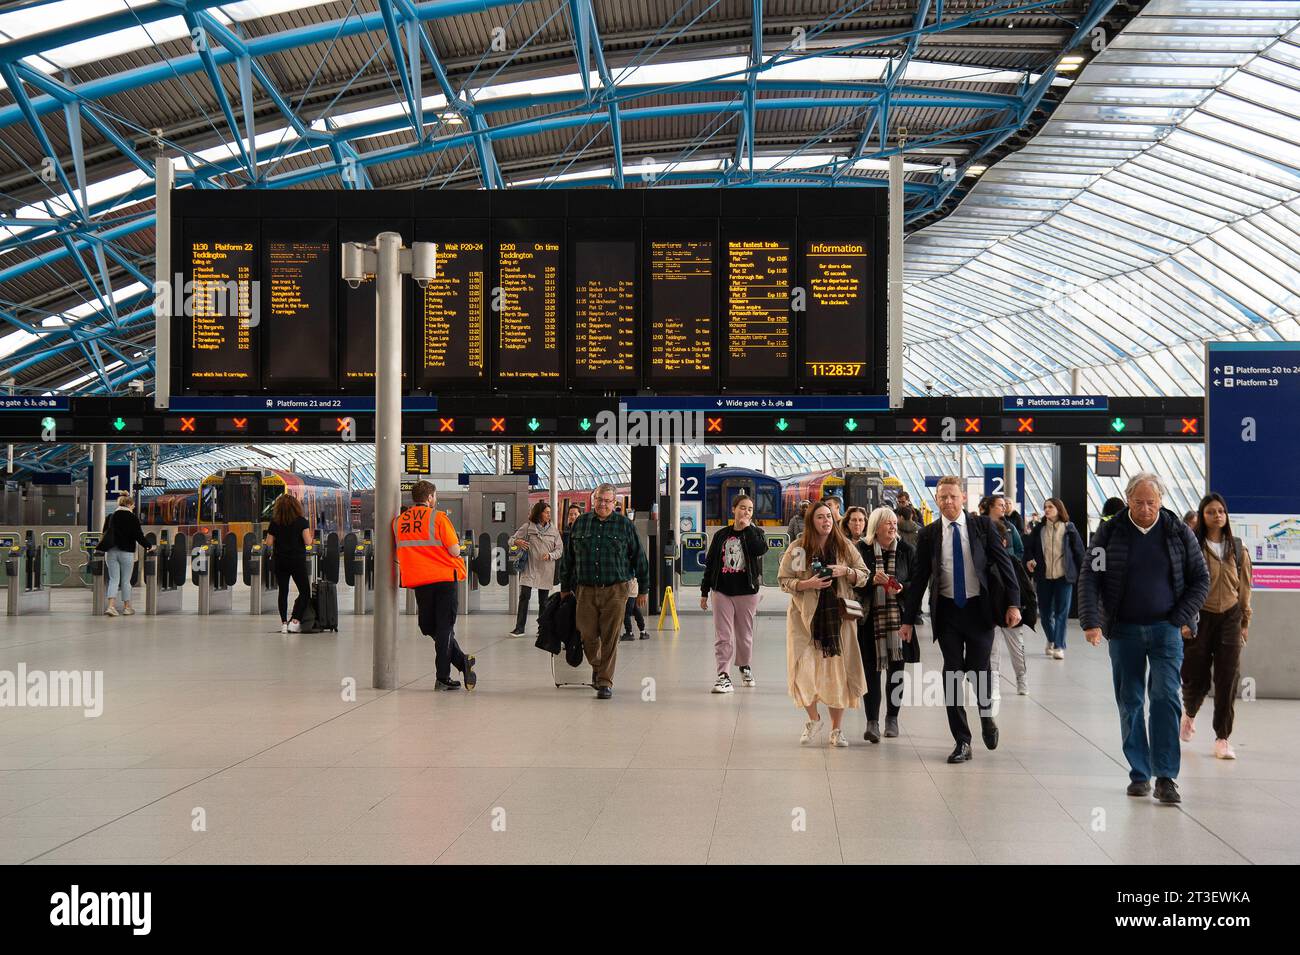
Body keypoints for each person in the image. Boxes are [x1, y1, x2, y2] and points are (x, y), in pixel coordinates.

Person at [1080, 472, 1209, 805]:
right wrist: (1092, 621)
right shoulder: (1108, 533)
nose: (1146, 508)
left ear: (1161, 501)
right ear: (1128, 501)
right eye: (1139, 502)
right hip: (1124, 630)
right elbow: (1090, 576)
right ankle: (1139, 772)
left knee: (1166, 697)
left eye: (1152, 502)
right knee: (1131, 701)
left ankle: (1165, 776)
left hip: (1167, 629)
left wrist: (1182, 618)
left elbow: (1200, 580)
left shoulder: (1179, 533)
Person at [900, 476, 1021, 764]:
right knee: (952, 673)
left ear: (963, 498)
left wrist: (1014, 604)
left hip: (980, 611)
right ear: (937, 500)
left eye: (953, 496)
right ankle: (962, 741)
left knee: (979, 671)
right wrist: (907, 620)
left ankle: (987, 717)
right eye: (943, 497)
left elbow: (1005, 566)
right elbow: (918, 579)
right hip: (948, 612)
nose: (948, 502)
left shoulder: (982, 527)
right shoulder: (928, 534)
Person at [778, 500, 869, 748]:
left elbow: (863, 574)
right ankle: (813, 719)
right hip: (805, 621)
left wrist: (845, 572)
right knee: (803, 673)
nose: (826, 521)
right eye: (820, 517)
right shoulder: (800, 550)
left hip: (837, 623)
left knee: (837, 675)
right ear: (811, 521)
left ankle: (837, 730)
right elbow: (785, 580)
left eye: (828, 516)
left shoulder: (843, 546)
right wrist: (808, 584)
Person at [559, 483, 648, 700]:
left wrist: (643, 589)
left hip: (616, 590)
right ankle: (598, 667)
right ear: (593, 500)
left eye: (607, 501)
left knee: (610, 637)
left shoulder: (625, 525)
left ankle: (605, 681)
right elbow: (568, 557)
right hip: (585, 589)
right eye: (599, 499)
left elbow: (639, 558)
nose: (603, 504)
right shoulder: (581, 523)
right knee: (587, 635)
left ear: (614, 503)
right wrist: (564, 586)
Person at [1181, 493, 1253, 761]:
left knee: (1228, 677)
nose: (1217, 516)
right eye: (1211, 512)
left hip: (1230, 617)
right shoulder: (1193, 546)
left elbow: (1245, 586)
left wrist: (1245, 621)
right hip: (1201, 616)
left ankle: (1222, 738)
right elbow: (1183, 585)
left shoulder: (1237, 546)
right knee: (1195, 675)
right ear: (1202, 516)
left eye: (1221, 511)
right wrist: (1185, 620)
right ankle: (1189, 712)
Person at [393, 480, 477, 691]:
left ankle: (443, 676)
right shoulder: (438, 518)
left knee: (431, 626)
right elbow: (455, 550)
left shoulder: (398, 522)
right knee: (441, 627)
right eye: (435, 496)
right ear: (430, 497)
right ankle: (461, 661)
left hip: (420, 581)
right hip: (444, 578)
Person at [853, 506, 916, 742]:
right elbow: (854, 581)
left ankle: (892, 718)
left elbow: (916, 583)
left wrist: (900, 587)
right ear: (876, 526)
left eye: (894, 523)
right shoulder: (862, 549)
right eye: (887, 523)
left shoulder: (907, 550)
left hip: (899, 619)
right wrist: (871, 580)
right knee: (871, 671)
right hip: (870, 619)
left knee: (896, 672)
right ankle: (872, 721)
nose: (893, 526)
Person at [701, 494, 768, 693]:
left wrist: (747, 528)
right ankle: (723, 675)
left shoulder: (756, 532)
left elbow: (759, 550)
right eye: (742, 507)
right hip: (721, 591)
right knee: (723, 635)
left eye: (749, 509)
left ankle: (745, 666)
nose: (745, 512)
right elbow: (711, 563)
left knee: (745, 635)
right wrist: (705, 591)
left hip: (747, 592)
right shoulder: (721, 535)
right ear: (733, 509)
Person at [1026, 497, 1085, 660]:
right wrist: (1030, 559)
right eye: (1045, 507)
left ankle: (1059, 646)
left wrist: (1083, 574)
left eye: (1050, 507)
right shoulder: (1040, 528)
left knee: (1061, 612)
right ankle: (1051, 639)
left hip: (1064, 577)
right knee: (1045, 614)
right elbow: (1028, 548)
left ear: (1059, 508)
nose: (1047, 510)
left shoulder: (1069, 528)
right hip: (1043, 577)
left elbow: (1079, 551)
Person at [986, 517, 1031, 699]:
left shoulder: (1012, 561)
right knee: (992, 651)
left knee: (1016, 651)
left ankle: (1021, 678)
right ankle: (994, 683)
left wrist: (1020, 608)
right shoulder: (984, 562)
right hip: (991, 613)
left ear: (1004, 542)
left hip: (1012, 613)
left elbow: (1024, 588)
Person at [508, 501, 563, 637]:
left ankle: (542, 629)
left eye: (550, 512)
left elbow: (560, 549)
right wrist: (516, 541)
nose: (549, 515)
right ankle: (519, 628)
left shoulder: (553, 531)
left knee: (543, 601)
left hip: (546, 569)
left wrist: (550, 555)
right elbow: (511, 540)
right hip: (529, 568)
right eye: (547, 512)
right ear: (539, 513)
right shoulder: (527, 528)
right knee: (524, 597)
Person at [265, 492, 313, 633]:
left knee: (283, 592)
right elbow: (308, 541)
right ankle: (295, 620)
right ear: (296, 507)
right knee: (304, 591)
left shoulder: (275, 522)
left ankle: (284, 623)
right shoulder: (301, 521)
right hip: (297, 561)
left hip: (280, 561)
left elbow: (268, 542)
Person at [100, 494, 150, 617]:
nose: (133, 507)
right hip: (126, 552)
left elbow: (104, 533)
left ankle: (111, 606)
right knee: (126, 581)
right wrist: (148, 546)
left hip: (111, 551)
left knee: (113, 580)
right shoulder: (132, 518)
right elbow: (139, 536)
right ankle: (127, 608)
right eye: (133, 505)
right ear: (128, 504)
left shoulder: (110, 517)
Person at [979, 494, 1023, 561]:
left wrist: (1013, 563)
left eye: (1004, 505)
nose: (1004, 508)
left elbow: (1019, 549)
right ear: (991, 507)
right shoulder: (980, 525)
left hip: (1007, 568)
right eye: (1001, 505)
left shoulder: (1010, 527)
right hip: (986, 569)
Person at [623, 576, 647, 642]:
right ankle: (643, 631)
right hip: (634, 591)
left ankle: (629, 633)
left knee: (626, 613)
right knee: (636, 611)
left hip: (630, 592)